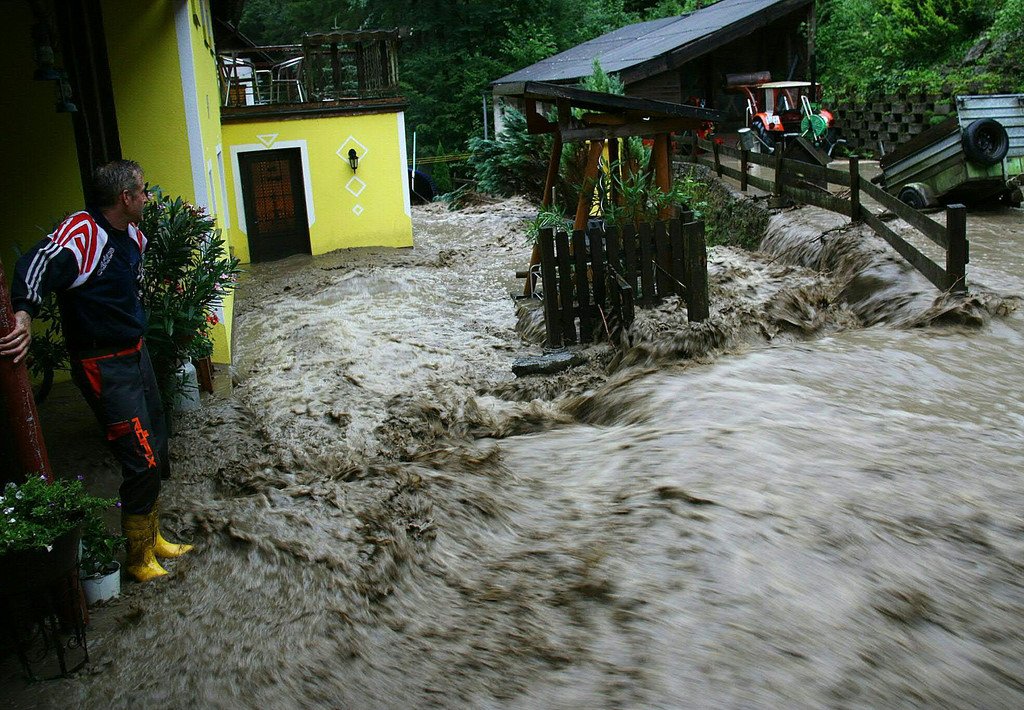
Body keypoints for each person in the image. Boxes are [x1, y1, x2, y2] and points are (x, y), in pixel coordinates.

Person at [0, 159, 192, 583]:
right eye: (143, 190)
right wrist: (24, 313)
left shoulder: (133, 237)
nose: (148, 197)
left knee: (157, 444)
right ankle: (138, 558)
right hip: (103, 365)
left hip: (136, 354)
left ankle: (152, 537)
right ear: (125, 197)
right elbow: (34, 263)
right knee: (140, 459)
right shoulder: (83, 232)